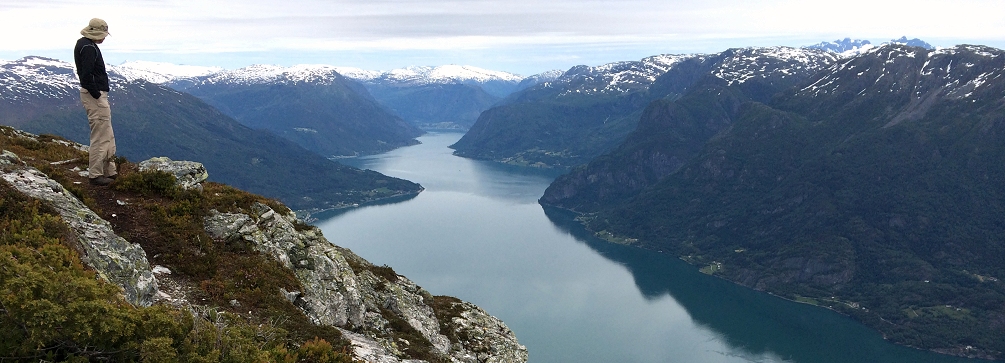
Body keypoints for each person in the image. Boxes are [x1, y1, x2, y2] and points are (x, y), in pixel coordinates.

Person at [74, 18, 117, 186]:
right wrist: (97, 95)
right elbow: (86, 75)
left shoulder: (85, 45)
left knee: (107, 134)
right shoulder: (88, 48)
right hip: (95, 96)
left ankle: (109, 171)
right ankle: (96, 174)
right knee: (100, 136)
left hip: (96, 95)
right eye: (102, 34)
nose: (104, 38)